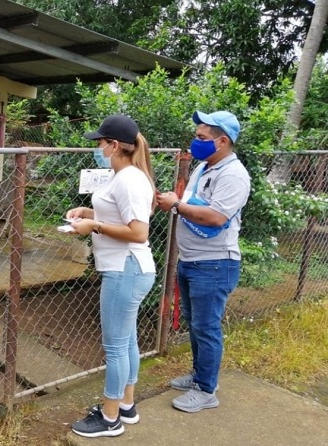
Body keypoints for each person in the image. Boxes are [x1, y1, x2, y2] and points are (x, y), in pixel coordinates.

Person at [66, 114, 156, 438]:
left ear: (114, 145)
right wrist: (88, 214)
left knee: (116, 347)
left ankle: (109, 417)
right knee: (126, 341)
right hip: (128, 269)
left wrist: (95, 226)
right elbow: (117, 213)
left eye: (100, 142)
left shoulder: (130, 179)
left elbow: (138, 232)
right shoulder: (124, 177)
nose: (98, 147)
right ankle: (126, 406)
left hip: (125, 270)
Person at [156, 110, 250, 413]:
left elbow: (216, 216)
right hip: (193, 260)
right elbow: (195, 202)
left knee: (206, 327)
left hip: (215, 263)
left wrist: (177, 205)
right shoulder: (204, 167)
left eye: (201, 138)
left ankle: (207, 390)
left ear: (222, 141)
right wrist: (177, 200)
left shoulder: (233, 175)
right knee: (196, 325)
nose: (195, 142)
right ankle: (200, 377)